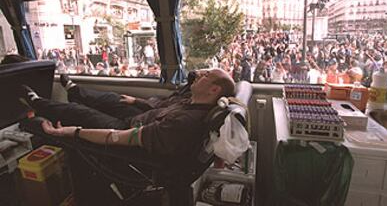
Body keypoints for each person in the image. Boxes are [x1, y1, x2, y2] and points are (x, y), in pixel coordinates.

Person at [21, 68, 235, 160]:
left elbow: (122, 137)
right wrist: (136, 101)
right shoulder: (193, 100)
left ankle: (37, 103)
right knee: (112, 98)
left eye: (206, 76)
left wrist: (74, 132)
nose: (200, 76)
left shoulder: (185, 123)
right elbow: (188, 80)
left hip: (129, 130)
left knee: (81, 113)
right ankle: (75, 92)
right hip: (141, 117)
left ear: (214, 90)